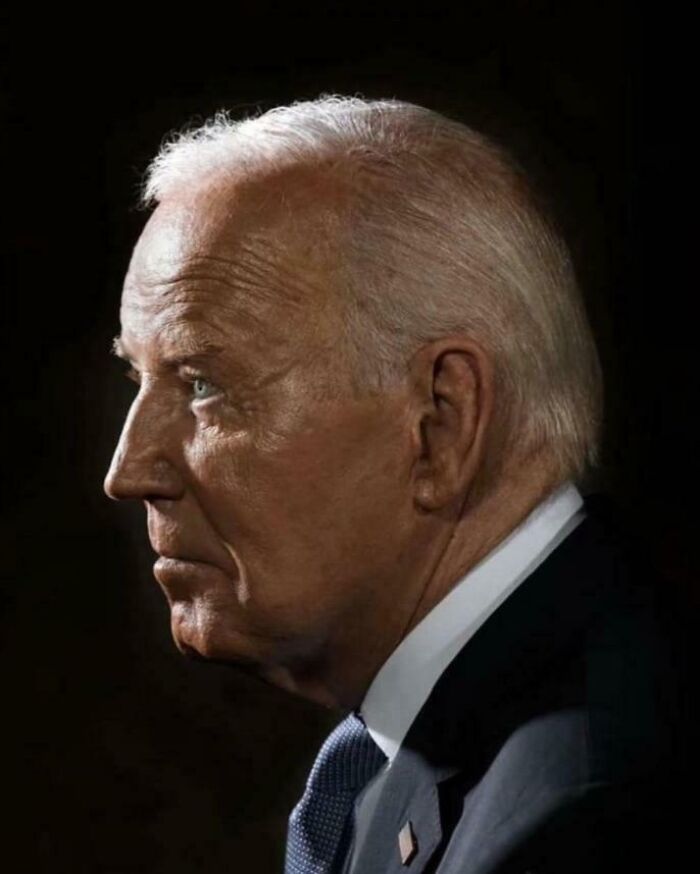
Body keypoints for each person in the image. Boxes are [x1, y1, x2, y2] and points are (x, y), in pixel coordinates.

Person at [103, 95, 689, 873]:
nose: (128, 471)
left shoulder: (580, 822)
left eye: (204, 384)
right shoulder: (431, 746)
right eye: (139, 379)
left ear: (440, 422)